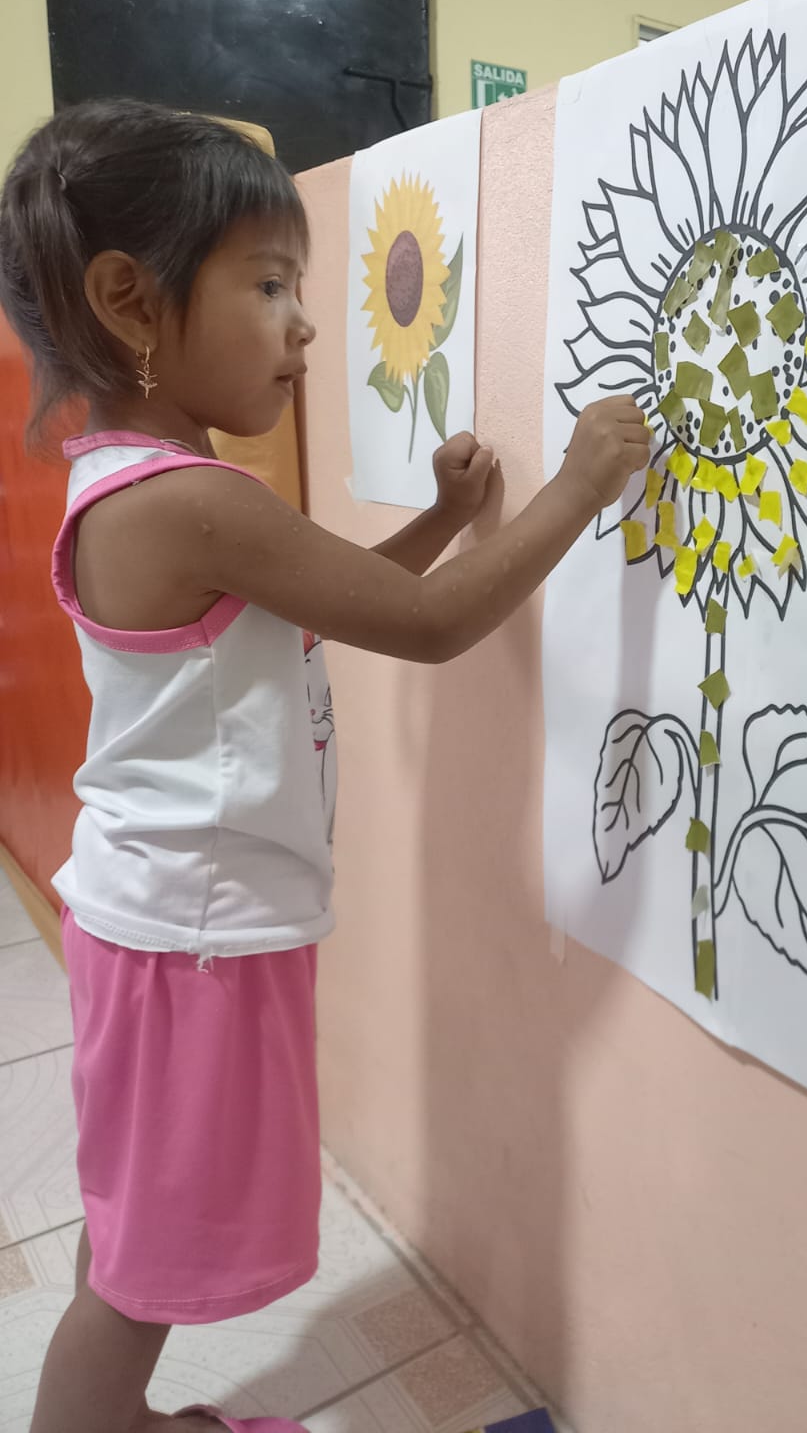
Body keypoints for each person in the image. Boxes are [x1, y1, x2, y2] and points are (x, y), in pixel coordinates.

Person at [0, 99, 650, 1433]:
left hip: (163, 927)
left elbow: (326, 603)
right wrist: (580, 487)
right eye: (269, 285)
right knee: (138, 1270)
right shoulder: (192, 501)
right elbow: (426, 626)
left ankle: (119, 1421)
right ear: (129, 301)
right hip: (191, 944)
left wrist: (449, 516)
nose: (305, 324)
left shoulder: (144, 483)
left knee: (132, 1230)